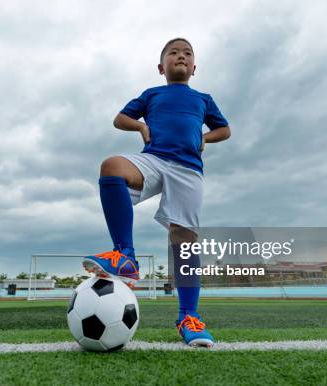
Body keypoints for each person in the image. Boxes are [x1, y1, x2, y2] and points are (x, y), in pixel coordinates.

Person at [83, 37, 231, 348]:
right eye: (173, 53)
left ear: (194, 67)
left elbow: (225, 129)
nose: (181, 56)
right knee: (112, 166)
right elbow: (119, 118)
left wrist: (206, 136)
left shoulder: (203, 99)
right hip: (153, 159)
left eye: (187, 54)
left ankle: (189, 317)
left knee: (184, 238)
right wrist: (140, 128)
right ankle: (125, 256)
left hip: (188, 169)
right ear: (161, 67)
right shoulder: (152, 94)